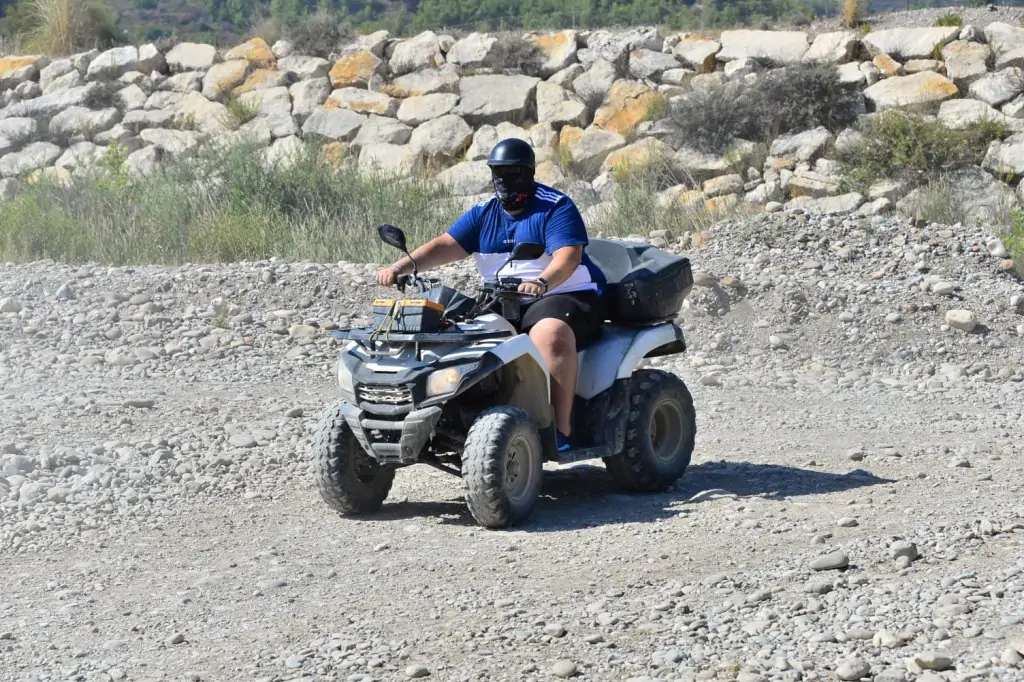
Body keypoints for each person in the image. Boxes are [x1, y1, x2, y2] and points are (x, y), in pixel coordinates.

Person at [376, 137, 607, 452]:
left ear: (527, 173)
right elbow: (446, 245)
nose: (502, 180)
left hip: (565, 293)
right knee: (452, 332)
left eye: (510, 173)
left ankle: (559, 431)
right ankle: (452, 415)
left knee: (550, 334)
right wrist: (405, 265)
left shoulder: (555, 206)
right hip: (504, 298)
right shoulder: (484, 213)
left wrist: (542, 281)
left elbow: (568, 257)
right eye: (496, 172)